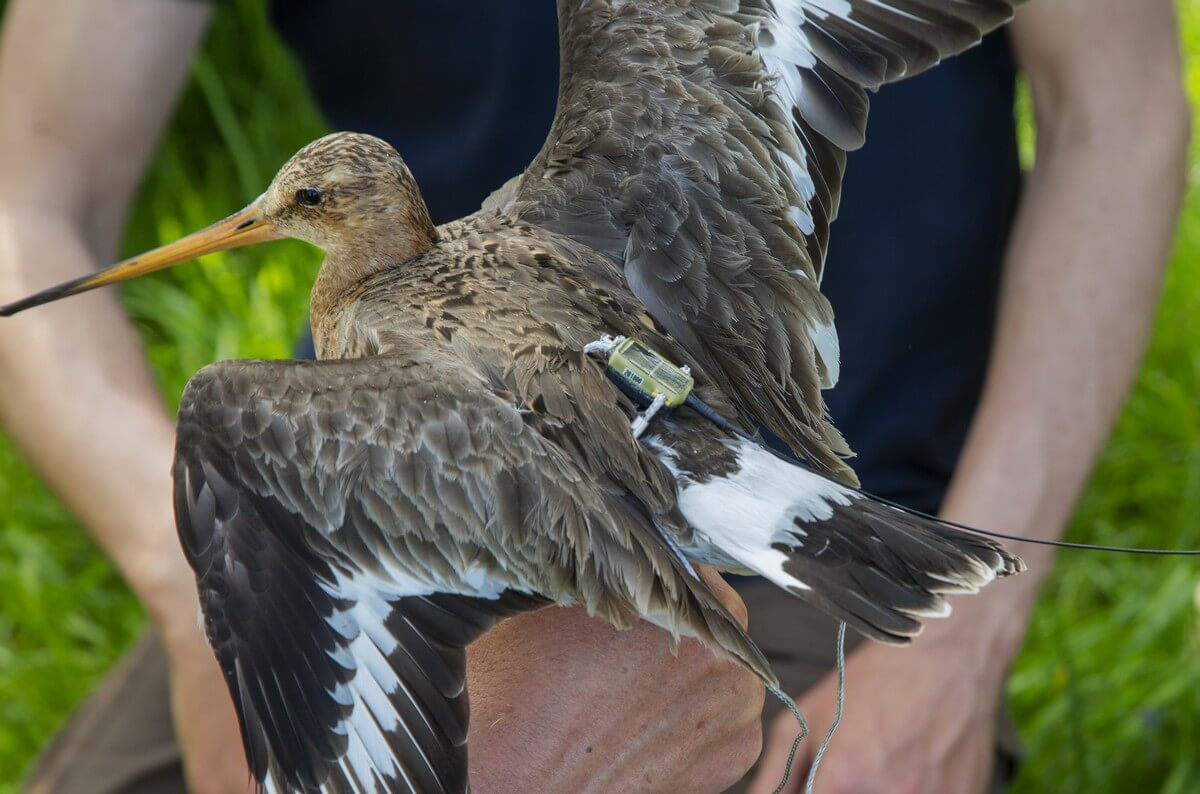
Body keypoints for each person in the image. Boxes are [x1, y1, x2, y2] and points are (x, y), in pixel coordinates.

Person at [0, 1, 1187, 793]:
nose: (258, 229)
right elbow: (28, 193)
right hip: (357, 499)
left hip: (805, 561)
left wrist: (949, 665)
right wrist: (197, 593)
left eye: (292, 210)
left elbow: (1121, 116)